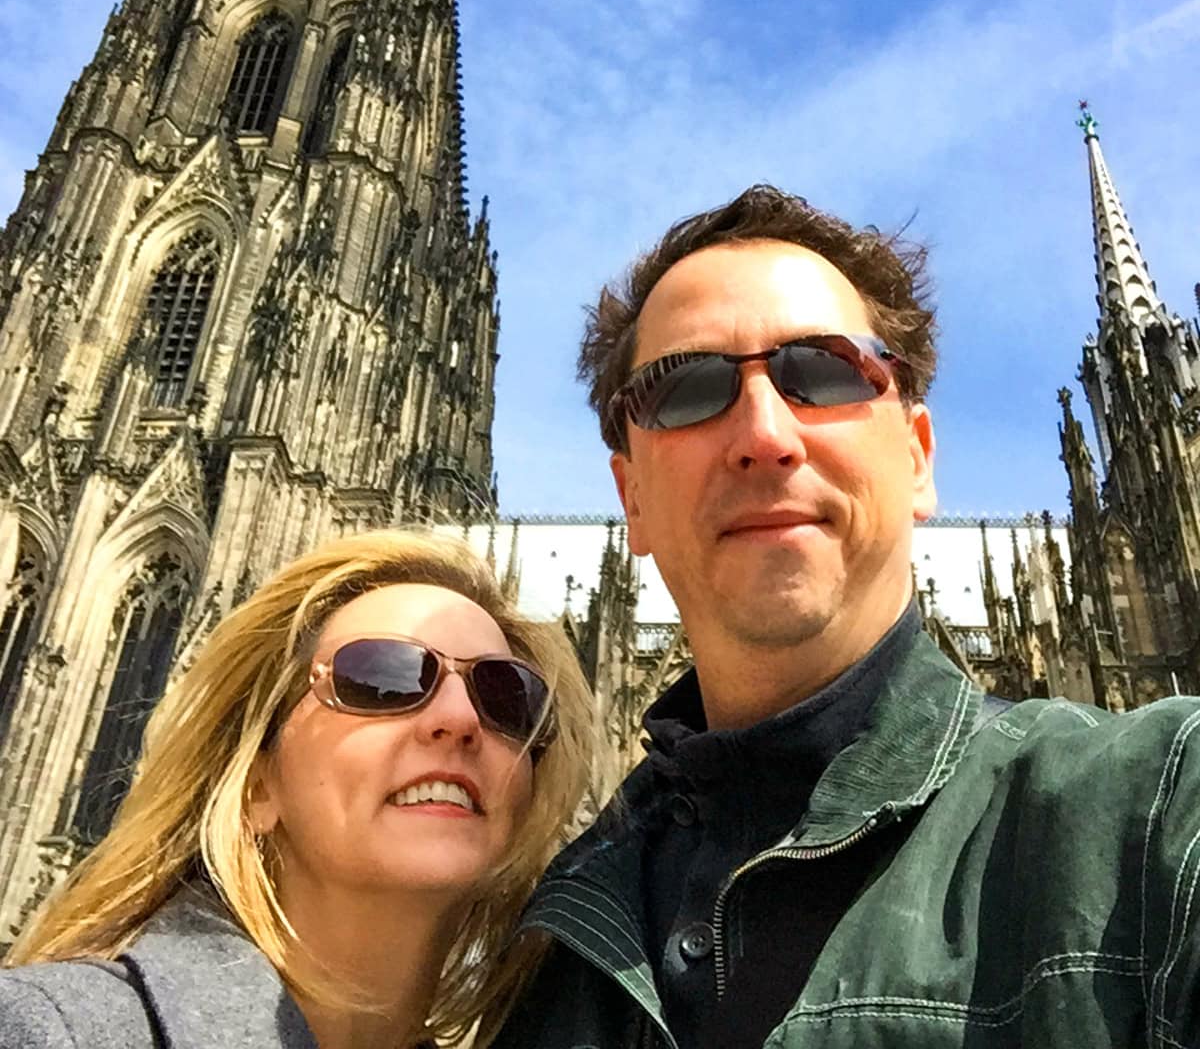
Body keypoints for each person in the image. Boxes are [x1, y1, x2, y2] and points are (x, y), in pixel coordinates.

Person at [493, 184, 1200, 1049]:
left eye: (823, 371)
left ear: (917, 458)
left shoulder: (1148, 809)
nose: (765, 432)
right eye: (687, 389)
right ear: (628, 496)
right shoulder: (552, 932)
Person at [0, 529, 593, 1049]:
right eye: (381, 677)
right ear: (256, 783)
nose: (461, 717)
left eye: (508, 696)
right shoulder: (51, 1027)